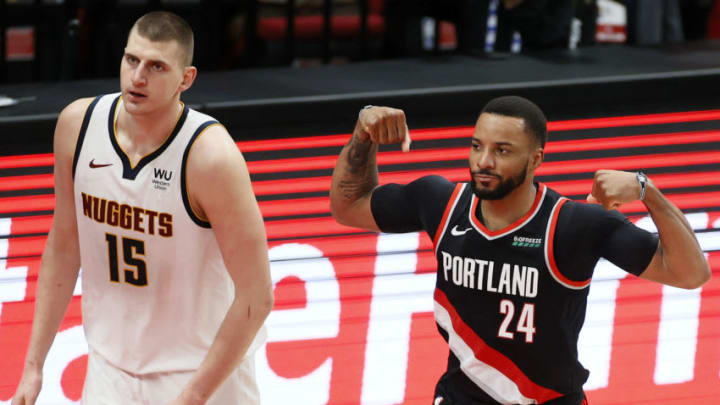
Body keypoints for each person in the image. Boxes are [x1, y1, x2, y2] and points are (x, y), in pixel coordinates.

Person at [329, 96, 710, 404]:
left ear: (536, 159)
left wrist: (648, 191)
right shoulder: (440, 201)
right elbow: (348, 206)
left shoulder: (573, 223)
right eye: (477, 146)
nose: (484, 162)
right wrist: (363, 132)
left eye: (503, 150)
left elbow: (690, 274)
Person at [12, 11, 273, 405]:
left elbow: (257, 296)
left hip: (202, 371)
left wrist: (194, 396)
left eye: (156, 67)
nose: (137, 77)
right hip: (110, 368)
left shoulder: (210, 157)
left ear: (185, 79)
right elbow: (64, 246)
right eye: (131, 60)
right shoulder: (77, 125)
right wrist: (33, 367)